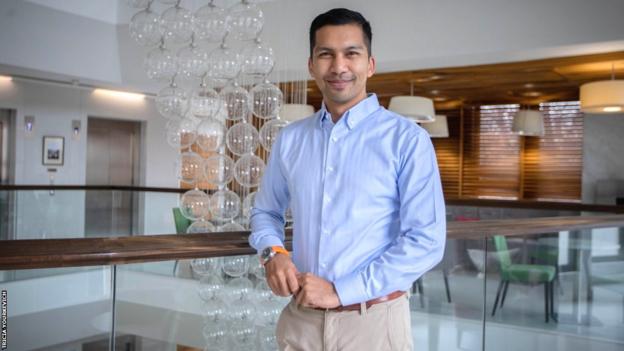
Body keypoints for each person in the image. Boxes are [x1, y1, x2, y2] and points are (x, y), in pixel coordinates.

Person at [249, 7, 446, 351]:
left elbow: (426, 241)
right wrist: (272, 252)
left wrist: (341, 291)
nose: (338, 66)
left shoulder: (407, 140)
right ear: (311, 65)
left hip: (373, 324)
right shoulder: (291, 139)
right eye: (326, 54)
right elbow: (265, 212)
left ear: (370, 64)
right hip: (300, 321)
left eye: (351, 53)